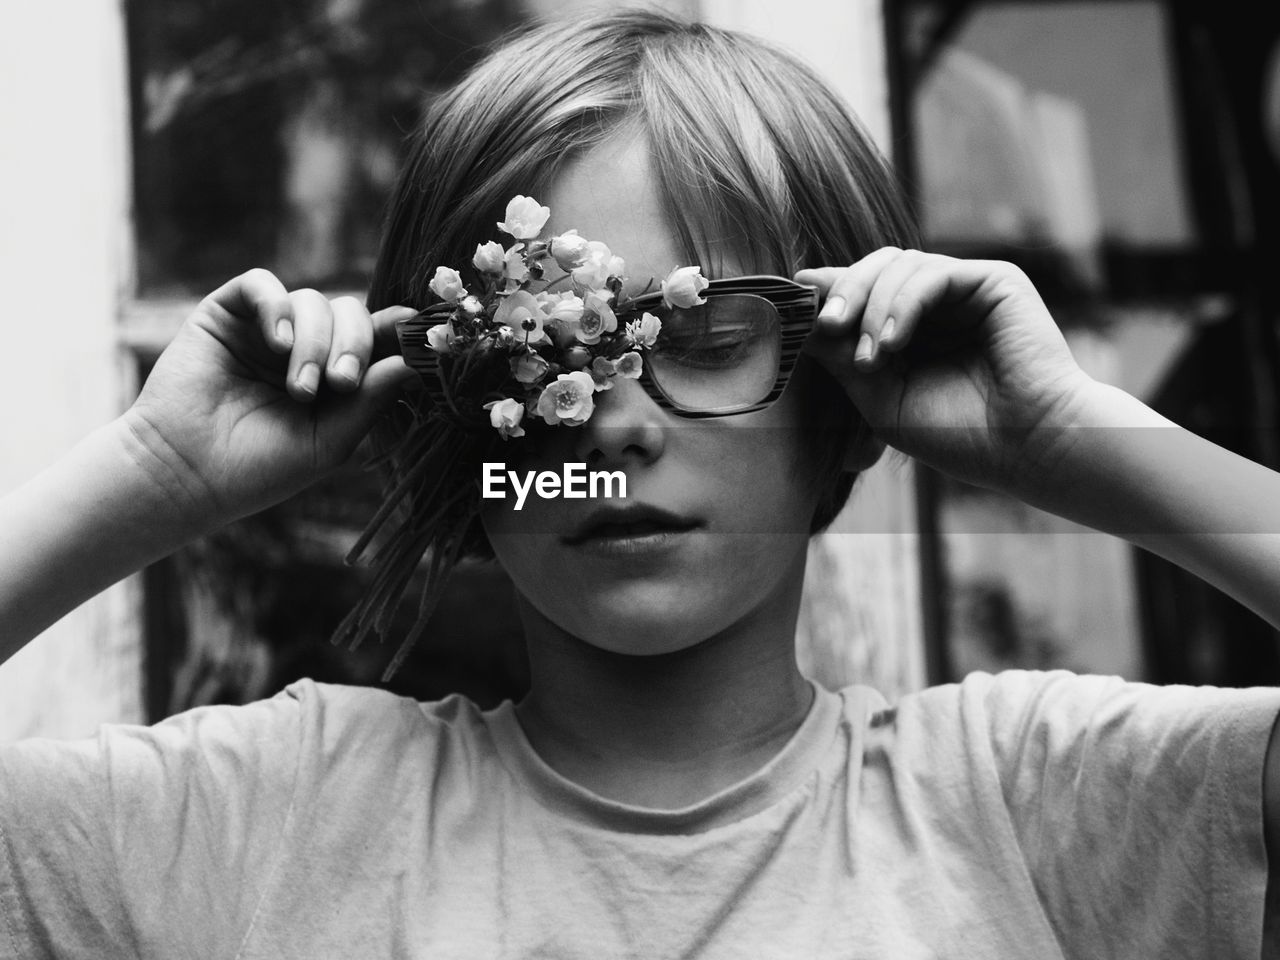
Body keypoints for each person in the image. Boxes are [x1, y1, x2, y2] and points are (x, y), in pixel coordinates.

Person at [2, 9, 1280, 958]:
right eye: (535, 353)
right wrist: (154, 471)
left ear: (840, 400)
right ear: (451, 412)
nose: (610, 430)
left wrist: (1071, 434)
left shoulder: (1038, 806)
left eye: (708, 341)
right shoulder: (258, 826)